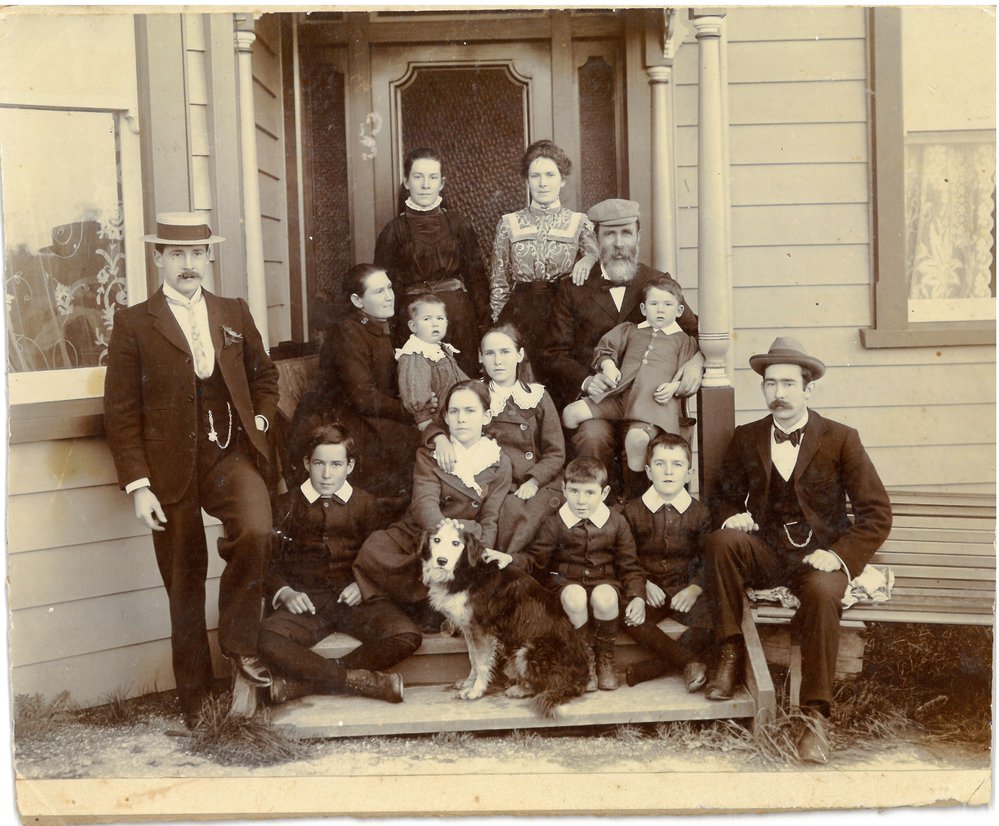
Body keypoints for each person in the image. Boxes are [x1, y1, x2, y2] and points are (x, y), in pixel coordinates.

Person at [104, 212, 279, 729]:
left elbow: (263, 374)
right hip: (167, 469)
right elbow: (120, 410)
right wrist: (139, 485)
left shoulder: (232, 311)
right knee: (184, 579)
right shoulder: (135, 322)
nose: (188, 264)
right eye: (176, 254)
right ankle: (197, 701)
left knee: (257, 530)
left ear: (208, 257)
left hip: (228, 455)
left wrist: (262, 417)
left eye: (196, 253)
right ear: (159, 258)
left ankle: (240, 644)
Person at [704, 337, 892, 764]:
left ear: (809, 389)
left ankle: (815, 717)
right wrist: (733, 515)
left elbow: (876, 513)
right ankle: (731, 652)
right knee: (720, 542)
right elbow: (722, 498)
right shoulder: (746, 437)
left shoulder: (841, 439)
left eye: (788, 384)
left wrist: (841, 556)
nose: (779, 394)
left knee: (826, 594)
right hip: (768, 553)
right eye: (770, 384)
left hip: (820, 557)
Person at [542, 198, 702, 492]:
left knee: (644, 437)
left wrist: (697, 364)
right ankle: (596, 513)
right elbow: (554, 353)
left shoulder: (657, 283)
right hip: (601, 399)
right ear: (595, 238)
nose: (618, 243)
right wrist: (588, 381)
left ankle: (637, 510)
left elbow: (697, 331)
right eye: (609, 234)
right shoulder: (573, 288)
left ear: (638, 237)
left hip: (649, 401)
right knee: (592, 436)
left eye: (626, 233)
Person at [259, 424, 421, 705]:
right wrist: (284, 592)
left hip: (354, 601)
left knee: (407, 634)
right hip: (307, 602)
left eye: (336, 464)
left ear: (350, 466)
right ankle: (359, 682)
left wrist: (364, 584)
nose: (326, 474)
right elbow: (266, 563)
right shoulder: (286, 505)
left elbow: (381, 553)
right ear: (307, 463)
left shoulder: (365, 503)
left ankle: (302, 685)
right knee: (265, 640)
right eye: (319, 463)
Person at [352, 380, 513, 609]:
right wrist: (441, 537)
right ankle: (401, 595)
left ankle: (410, 599)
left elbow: (490, 516)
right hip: (424, 532)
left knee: (466, 567)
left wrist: (482, 548)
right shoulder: (432, 453)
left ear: (486, 416)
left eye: (470, 411)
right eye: (454, 411)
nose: (462, 419)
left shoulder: (499, 463)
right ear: (445, 417)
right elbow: (423, 503)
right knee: (374, 548)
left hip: (462, 538)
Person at [514, 457, 645, 692]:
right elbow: (536, 560)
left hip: (604, 582)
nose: (581, 500)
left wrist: (637, 595)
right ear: (564, 489)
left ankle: (604, 656)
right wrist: (511, 560)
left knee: (605, 596)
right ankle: (584, 657)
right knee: (574, 595)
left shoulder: (616, 522)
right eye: (574, 491)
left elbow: (630, 565)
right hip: (566, 584)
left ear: (604, 493)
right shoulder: (554, 522)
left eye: (589, 493)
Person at [301, 264, 422, 499]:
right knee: (410, 440)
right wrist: (409, 412)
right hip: (340, 417)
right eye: (379, 292)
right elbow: (363, 396)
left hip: (367, 412)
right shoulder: (347, 332)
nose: (389, 297)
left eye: (389, 288)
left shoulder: (380, 327)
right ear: (357, 301)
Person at [562, 275, 699, 475]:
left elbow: (684, 374)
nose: (660, 309)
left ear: (679, 311)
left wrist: (674, 388)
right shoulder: (630, 330)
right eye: (654, 303)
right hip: (618, 397)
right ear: (644, 309)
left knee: (637, 439)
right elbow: (605, 348)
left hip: (652, 404)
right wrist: (608, 366)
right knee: (570, 414)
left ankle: (631, 488)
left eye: (668, 304)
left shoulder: (684, 341)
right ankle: (574, 472)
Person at [374, 147, 488, 376]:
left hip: (457, 318)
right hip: (414, 319)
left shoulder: (459, 225)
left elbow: (477, 279)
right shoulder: (393, 231)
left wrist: (484, 328)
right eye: (418, 177)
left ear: (442, 182)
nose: (426, 185)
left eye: (432, 177)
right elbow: (384, 288)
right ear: (406, 182)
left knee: (462, 384)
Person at [488, 139, 598, 370]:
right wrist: (499, 328)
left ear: (563, 179)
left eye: (550, 175)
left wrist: (588, 259)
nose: (543, 183)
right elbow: (500, 283)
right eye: (535, 176)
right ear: (527, 180)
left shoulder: (580, 223)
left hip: (564, 313)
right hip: (521, 314)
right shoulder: (509, 224)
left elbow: (596, 258)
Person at [621, 433, 712, 692]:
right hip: (648, 590)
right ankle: (688, 662)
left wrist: (695, 588)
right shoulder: (632, 511)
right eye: (660, 464)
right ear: (649, 472)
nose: (669, 472)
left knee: (716, 615)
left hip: (684, 589)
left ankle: (653, 667)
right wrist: (642, 586)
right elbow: (626, 558)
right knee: (624, 611)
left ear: (688, 474)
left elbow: (708, 558)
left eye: (677, 465)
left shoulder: (700, 512)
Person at [478, 323, 566, 556]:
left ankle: (509, 564)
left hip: (537, 480)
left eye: (505, 352)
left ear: (519, 355)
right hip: (494, 481)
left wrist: (534, 481)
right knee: (504, 509)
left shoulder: (537, 396)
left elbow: (555, 452)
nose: (498, 361)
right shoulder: (477, 396)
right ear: (481, 358)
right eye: (490, 353)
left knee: (525, 511)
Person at [396, 294, 469, 431]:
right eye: (427, 319)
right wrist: (426, 423)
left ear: (446, 323)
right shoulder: (415, 354)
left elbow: (459, 378)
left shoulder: (439, 349)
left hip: (454, 415)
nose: (435, 323)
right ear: (413, 326)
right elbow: (415, 392)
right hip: (436, 422)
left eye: (440, 318)